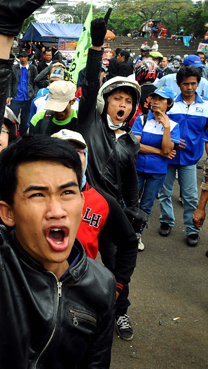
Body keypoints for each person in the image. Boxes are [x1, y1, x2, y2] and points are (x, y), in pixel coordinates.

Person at [0, 0, 116, 364]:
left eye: (67, 191)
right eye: (37, 194)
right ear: (6, 211)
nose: (57, 209)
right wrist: (0, 31)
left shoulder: (101, 287)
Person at [75, 17, 144, 342]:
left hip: (112, 214)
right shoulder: (89, 121)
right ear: (107, 102)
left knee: (118, 269)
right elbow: (90, 84)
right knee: (75, 263)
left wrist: (135, 209)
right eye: (118, 98)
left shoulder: (130, 142)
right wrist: (97, 47)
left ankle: (121, 312)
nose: (123, 104)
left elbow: (130, 182)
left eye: (129, 101)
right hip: (84, 210)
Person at [53, 129, 138, 326]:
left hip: (80, 295)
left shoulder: (102, 202)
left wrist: (117, 286)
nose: (72, 158)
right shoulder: (33, 197)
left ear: (87, 158)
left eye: (78, 152)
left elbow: (128, 243)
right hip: (35, 290)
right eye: (64, 151)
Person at [157, 66, 208, 247]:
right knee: (164, 192)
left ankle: (193, 230)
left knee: (190, 196)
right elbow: (159, 127)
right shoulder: (169, 105)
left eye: (193, 83)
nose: (189, 87)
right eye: (185, 84)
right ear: (179, 85)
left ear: (198, 83)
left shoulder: (206, 107)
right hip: (167, 156)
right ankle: (166, 221)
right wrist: (171, 142)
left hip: (190, 159)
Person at [132, 87, 179, 251]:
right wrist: (159, 151)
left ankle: (137, 234)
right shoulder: (142, 119)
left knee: (146, 204)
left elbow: (168, 150)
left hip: (157, 172)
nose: (156, 102)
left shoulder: (173, 126)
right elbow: (136, 145)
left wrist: (166, 127)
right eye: (154, 98)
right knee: (130, 201)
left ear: (169, 103)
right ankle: (126, 233)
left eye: (161, 99)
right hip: (137, 168)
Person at [7, 49, 38, 135]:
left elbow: (36, 82)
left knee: (25, 120)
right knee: (13, 118)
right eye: (21, 56)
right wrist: (8, 95)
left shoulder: (32, 68)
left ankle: (22, 137)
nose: (23, 59)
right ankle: (13, 135)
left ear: (28, 57)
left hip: (28, 97)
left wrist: (35, 94)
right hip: (16, 96)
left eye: (25, 56)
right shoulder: (14, 68)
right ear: (19, 57)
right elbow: (10, 82)